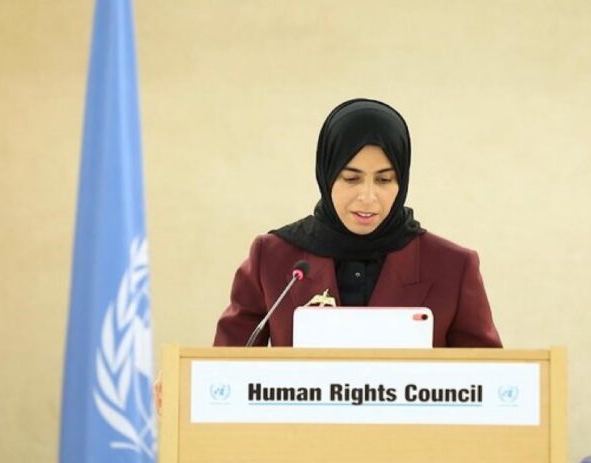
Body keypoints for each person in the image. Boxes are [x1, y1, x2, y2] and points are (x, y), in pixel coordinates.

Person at [213, 98, 501, 347]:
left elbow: (489, 379)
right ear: (327, 176)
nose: (367, 197)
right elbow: (222, 370)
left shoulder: (452, 267)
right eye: (351, 178)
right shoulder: (272, 258)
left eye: (384, 179)